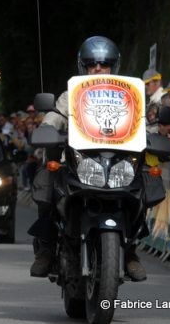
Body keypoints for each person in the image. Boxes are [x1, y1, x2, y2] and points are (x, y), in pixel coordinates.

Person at [28, 36, 147, 282]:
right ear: (83, 65)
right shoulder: (70, 94)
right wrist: (48, 129)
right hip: (77, 161)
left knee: (145, 187)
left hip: (118, 161)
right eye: (92, 64)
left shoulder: (129, 95)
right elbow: (53, 119)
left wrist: (153, 134)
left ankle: (131, 250)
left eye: (104, 64)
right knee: (45, 184)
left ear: (114, 66)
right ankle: (47, 249)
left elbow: (141, 121)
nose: (98, 69)